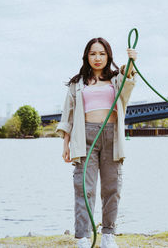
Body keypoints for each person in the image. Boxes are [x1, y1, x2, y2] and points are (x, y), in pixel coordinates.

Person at [56, 37, 137, 248]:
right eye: (93, 54)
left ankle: (108, 235)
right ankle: (83, 237)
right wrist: (66, 144)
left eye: (102, 53)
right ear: (87, 56)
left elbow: (128, 83)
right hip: (85, 138)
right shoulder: (77, 84)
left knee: (112, 187)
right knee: (84, 188)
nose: (98, 58)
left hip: (112, 137)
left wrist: (131, 62)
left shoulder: (115, 80)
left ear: (108, 55)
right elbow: (68, 115)